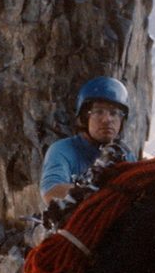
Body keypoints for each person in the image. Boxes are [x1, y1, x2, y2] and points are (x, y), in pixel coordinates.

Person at [40, 76, 137, 204]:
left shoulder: (126, 156)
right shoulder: (62, 150)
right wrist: (104, 193)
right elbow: (52, 191)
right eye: (98, 112)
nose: (107, 119)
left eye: (114, 113)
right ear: (85, 117)